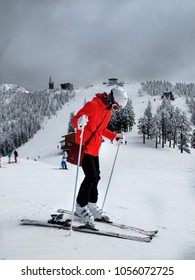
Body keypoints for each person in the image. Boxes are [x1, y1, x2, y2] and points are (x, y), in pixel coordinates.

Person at [72, 87, 128, 224]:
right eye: (114, 106)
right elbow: (75, 120)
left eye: (117, 109)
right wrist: (80, 123)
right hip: (84, 146)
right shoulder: (93, 105)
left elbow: (101, 129)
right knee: (91, 176)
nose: (114, 109)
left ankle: (91, 205)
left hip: (94, 148)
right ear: (110, 98)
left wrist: (114, 136)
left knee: (96, 176)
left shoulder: (107, 112)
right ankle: (80, 206)